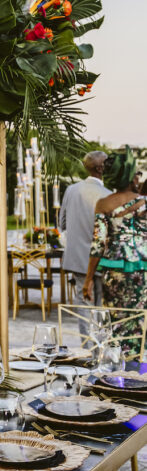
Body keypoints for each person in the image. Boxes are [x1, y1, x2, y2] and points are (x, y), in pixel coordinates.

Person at [83, 148, 147, 355]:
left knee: (116, 320)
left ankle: (118, 366)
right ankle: (141, 369)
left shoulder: (103, 204)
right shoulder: (144, 203)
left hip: (114, 272)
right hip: (143, 271)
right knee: (141, 319)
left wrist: (88, 279)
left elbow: (98, 245)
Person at [59, 150, 109, 307]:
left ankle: (84, 333)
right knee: (101, 304)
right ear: (100, 168)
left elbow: (63, 223)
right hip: (102, 258)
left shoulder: (71, 190)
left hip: (78, 258)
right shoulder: (108, 195)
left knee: (83, 302)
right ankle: (100, 332)